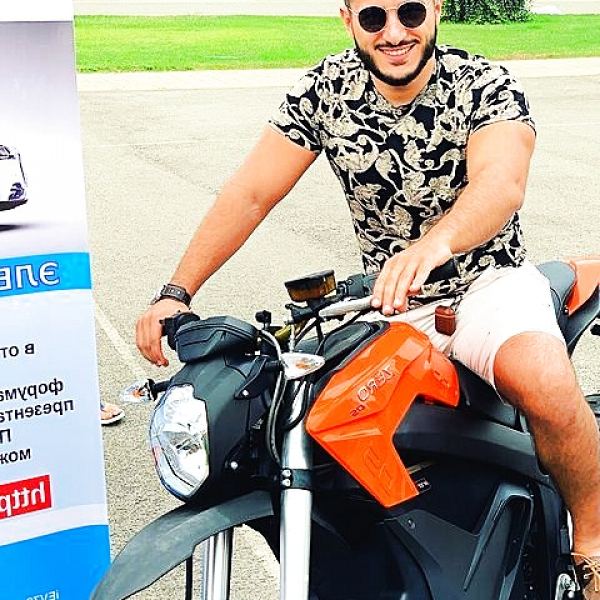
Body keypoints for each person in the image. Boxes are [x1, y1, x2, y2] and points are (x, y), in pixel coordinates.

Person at [135, 0, 600, 595]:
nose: (395, 32)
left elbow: (500, 183)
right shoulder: (326, 90)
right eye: (375, 17)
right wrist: (176, 292)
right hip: (388, 303)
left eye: (411, 12)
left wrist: (435, 245)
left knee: (545, 381)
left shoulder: (483, 83)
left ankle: (592, 547)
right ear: (348, 19)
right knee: (310, 427)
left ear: (436, 9)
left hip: (486, 284)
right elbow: (250, 193)